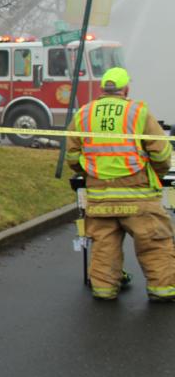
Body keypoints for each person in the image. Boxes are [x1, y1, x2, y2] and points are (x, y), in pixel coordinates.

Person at [66, 67, 175, 302]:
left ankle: (104, 290)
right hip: (139, 196)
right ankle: (162, 290)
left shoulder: (84, 114)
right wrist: (157, 174)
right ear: (126, 89)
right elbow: (161, 152)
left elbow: (73, 157)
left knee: (104, 247)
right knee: (155, 243)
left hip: (100, 198)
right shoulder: (138, 113)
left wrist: (88, 174)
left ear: (102, 89)